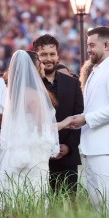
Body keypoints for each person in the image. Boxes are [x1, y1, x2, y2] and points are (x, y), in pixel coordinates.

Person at [67, 26, 109, 214]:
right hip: (95, 148)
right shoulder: (97, 69)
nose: (89, 49)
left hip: (108, 149)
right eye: (88, 45)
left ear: (107, 45)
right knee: (98, 208)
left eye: (92, 45)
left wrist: (86, 119)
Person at [0, 50, 73, 198]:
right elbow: (42, 127)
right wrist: (65, 123)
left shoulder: (15, 94)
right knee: (35, 192)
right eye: (40, 64)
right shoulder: (33, 94)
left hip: (20, 150)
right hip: (34, 153)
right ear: (34, 67)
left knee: (19, 193)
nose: (43, 67)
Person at [33, 34, 84, 193]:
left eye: (52, 54)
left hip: (67, 157)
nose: (48, 58)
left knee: (68, 206)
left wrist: (67, 146)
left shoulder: (73, 84)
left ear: (57, 55)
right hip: (36, 157)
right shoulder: (29, 85)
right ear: (36, 56)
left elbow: (79, 117)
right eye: (43, 55)